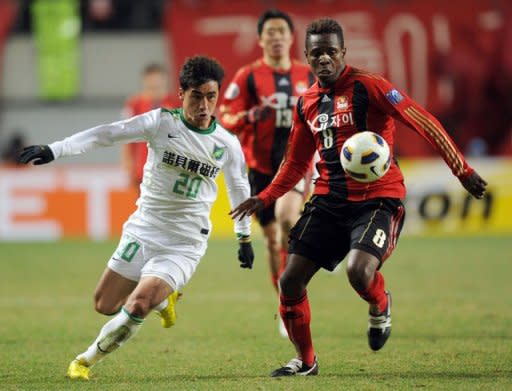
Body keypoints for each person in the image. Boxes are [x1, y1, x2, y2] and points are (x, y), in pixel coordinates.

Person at [230, 18, 487, 377]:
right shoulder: (307, 103)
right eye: (316, 53)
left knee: (357, 271)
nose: (323, 60)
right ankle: (306, 362)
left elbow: (422, 120)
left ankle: (380, 304)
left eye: (330, 52)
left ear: (343, 53)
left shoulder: (371, 85)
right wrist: (266, 196)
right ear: (306, 55)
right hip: (328, 201)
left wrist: (463, 170)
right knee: (289, 281)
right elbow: (295, 162)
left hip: (378, 199)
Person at [18, 56, 255, 380]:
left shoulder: (226, 144)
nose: (204, 105)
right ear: (182, 93)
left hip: (184, 242)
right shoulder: (161, 123)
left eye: (211, 96)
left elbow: (239, 189)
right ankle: (165, 300)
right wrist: (56, 149)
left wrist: (244, 237)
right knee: (104, 304)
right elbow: (108, 134)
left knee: (139, 302)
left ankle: (84, 361)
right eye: (196, 96)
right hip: (144, 230)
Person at [219, 9, 314, 335]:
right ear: (260, 39)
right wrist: (249, 115)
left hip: (296, 164)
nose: (276, 37)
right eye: (269, 32)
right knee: (273, 241)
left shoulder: (309, 75)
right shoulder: (247, 76)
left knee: (289, 222)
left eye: (281, 32)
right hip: (259, 169)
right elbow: (225, 116)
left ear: (291, 37)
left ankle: (301, 278)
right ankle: (286, 304)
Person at [122, 63, 178, 187]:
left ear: (165, 81)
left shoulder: (176, 104)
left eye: (158, 84)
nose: (155, 87)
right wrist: (128, 162)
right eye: (151, 84)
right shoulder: (135, 105)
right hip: (143, 169)